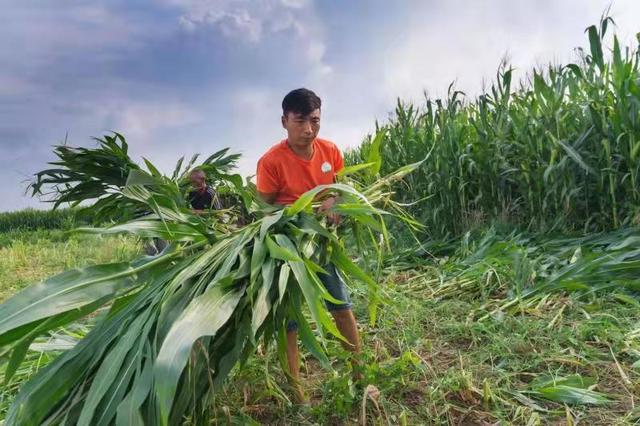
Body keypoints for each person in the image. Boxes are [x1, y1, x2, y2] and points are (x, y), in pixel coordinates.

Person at [256, 88, 361, 403]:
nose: (308, 130)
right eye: (300, 121)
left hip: (322, 244)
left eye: (314, 121)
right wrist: (301, 212)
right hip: (287, 247)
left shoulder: (330, 152)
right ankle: (297, 393)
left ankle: (359, 375)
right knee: (290, 320)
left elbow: (341, 188)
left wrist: (335, 200)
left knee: (340, 305)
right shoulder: (271, 162)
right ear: (284, 121)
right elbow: (264, 209)